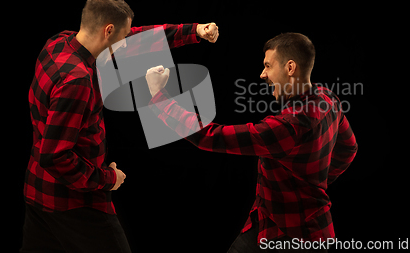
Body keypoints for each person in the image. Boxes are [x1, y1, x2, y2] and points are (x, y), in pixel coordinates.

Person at [21, 0, 219, 253]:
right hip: (74, 201)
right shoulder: (77, 80)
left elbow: (141, 39)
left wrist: (194, 31)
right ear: (108, 31)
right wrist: (108, 178)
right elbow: (55, 156)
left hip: (38, 191)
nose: (126, 44)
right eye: (122, 37)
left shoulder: (58, 42)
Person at [145, 32, 357, 252]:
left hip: (296, 235)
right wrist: (315, 180)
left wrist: (159, 98)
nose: (262, 74)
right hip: (270, 223)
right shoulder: (327, 99)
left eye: (268, 65)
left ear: (290, 68)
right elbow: (350, 148)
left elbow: (210, 136)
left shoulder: (287, 126)